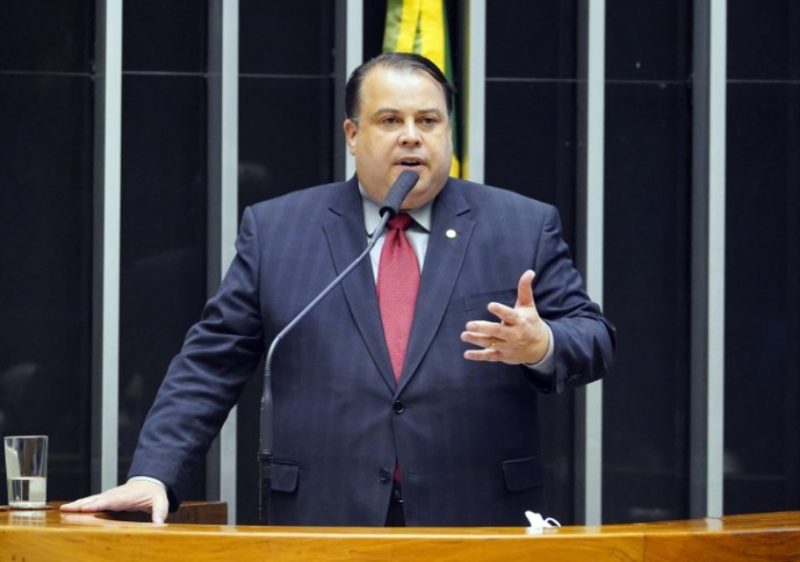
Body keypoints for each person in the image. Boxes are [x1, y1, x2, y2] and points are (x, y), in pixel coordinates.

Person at [62, 53, 615, 526]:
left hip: (476, 516)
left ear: (448, 132)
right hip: (322, 517)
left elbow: (593, 336)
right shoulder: (279, 230)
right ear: (352, 135)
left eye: (429, 120)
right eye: (390, 120)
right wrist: (154, 474)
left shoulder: (520, 225)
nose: (412, 135)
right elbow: (210, 362)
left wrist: (542, 345)